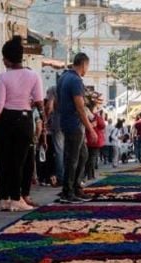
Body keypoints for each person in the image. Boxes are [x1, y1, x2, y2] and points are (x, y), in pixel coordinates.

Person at [0, 36, 44, 212]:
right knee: (19, 161)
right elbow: (38, 100)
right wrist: (43, 117)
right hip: (24, 119)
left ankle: (4, 198)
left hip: (5, 120)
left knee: (3, 160)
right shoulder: (33, 76)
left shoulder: (3, 78)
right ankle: (16, 198)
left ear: (7, 59)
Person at [55, 53, 97, 204]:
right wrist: (90, 129)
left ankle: (76, 186)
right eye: (87, 66)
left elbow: (57, 102)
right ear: (84, 64)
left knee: (82, 155)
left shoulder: (63, 77)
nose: (87, 69)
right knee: (73, 158)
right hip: (74, 124)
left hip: (66, 121)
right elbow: (80, 107)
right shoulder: (75, 80)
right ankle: (68, 191)